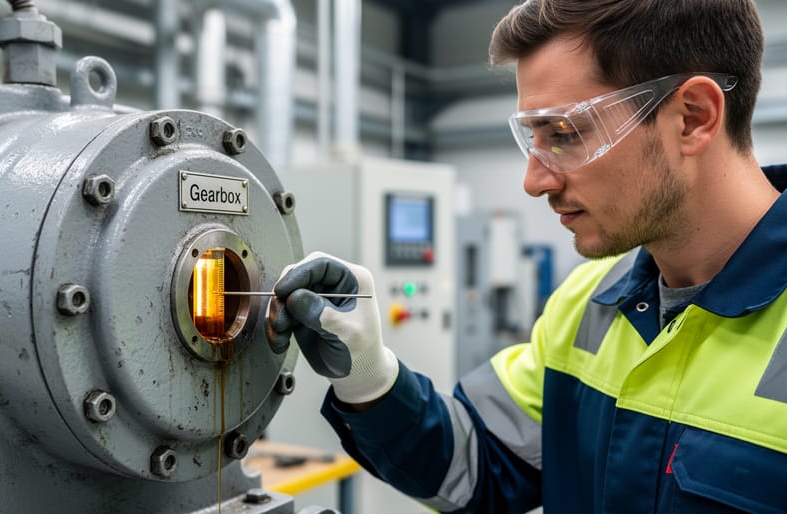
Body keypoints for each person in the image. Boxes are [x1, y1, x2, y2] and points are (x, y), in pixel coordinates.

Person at [267, 1, 787, 512]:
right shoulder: (590, 303)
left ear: (693, 118)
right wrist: (370, 378)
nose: (534, 181)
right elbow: (478, 461)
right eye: (531, 139)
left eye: (565, 134)